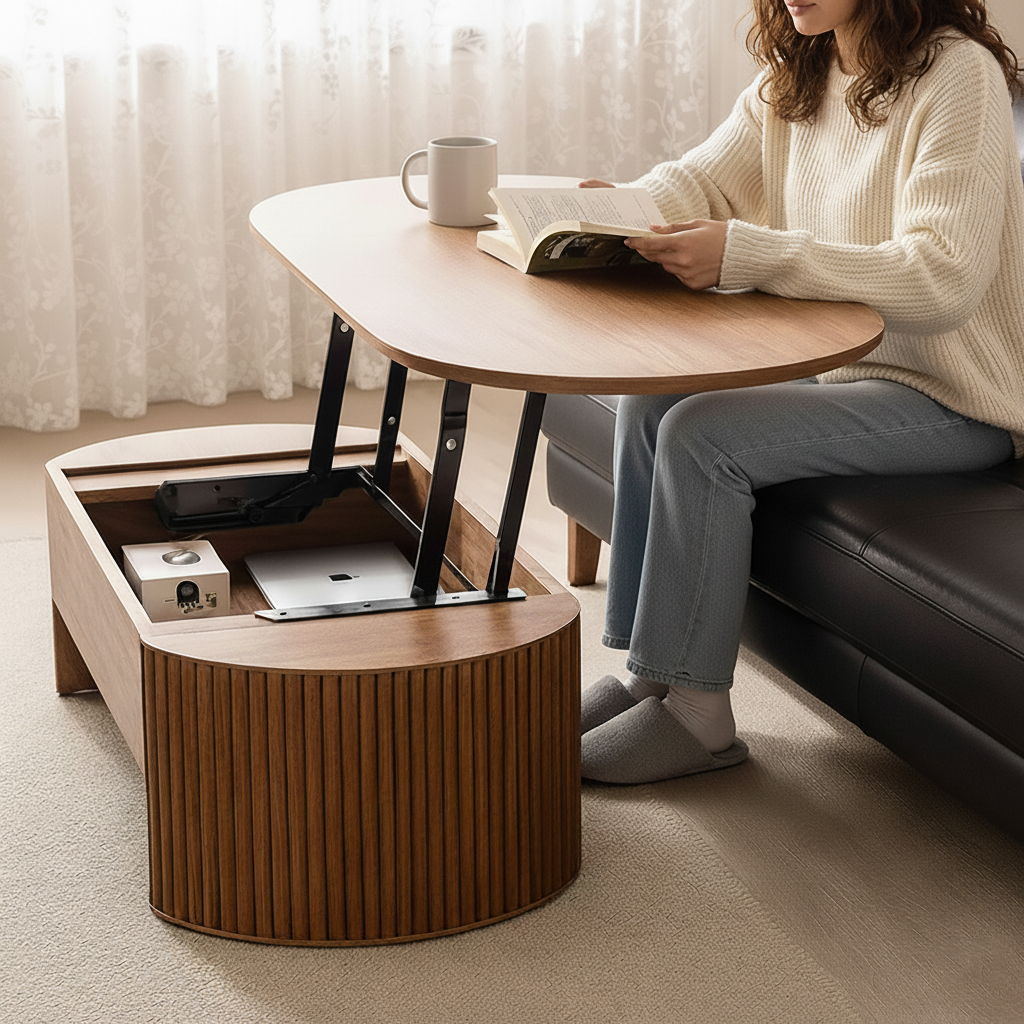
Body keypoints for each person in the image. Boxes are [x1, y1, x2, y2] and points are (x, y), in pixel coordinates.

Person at [578, 0, 1024, 784]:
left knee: (702, 436)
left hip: (955, 396)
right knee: (657, 398)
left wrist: (748, 254)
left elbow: (942, 279)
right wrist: (612, 215)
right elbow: (701, 183)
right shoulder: (802, 71)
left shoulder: (960, 76)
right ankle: (652, 674)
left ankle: (699, 719)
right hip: (845, 369)